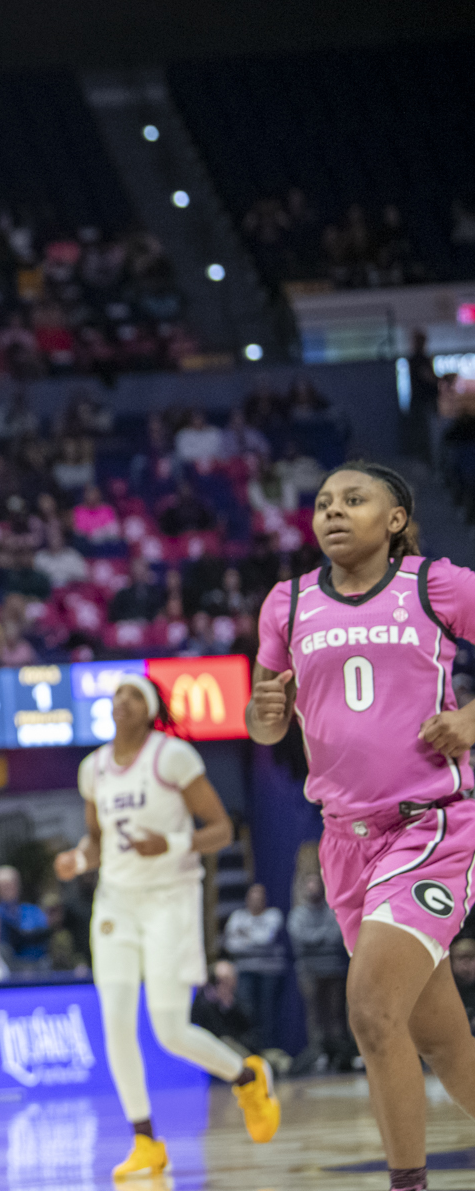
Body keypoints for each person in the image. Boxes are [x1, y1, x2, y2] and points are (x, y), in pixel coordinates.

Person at [250, 462, 475, 1191]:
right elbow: (264, 718)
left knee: (371, 1010)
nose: (333, 512)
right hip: (345, 841)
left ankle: (407, 1185)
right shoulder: (284, 604)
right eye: (322, 503)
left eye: (354, 499)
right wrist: (266, 717)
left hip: (431, 828)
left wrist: (471, 717)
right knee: (440, 1039)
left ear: (398, 518)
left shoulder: (436, 584)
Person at [56, 674, 279, 1180]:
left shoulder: (172, 757)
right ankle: (145, 1140)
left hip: (170, 901)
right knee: (114, 1024)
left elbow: (221, 830)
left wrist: (173, 844)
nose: (122, 701)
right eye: (116, 694)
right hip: (116, 902)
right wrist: (76, 858)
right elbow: (96, 839)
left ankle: (247, 1075)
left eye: (134, 694)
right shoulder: (93, 768)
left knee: (170, 1031)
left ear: (151, 707)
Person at [289, 872, 352, 1073]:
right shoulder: (298, 915)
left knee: (336, 1016)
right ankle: (320, 1057)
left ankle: (341, 1057)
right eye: (310, 884)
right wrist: (319, 938)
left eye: (317, 884)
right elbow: (299, 936)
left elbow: (336, 935)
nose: (313, 888)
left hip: (333, 970)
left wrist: (313, 940)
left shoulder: (332, 912)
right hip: (310, 972)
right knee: (316, 1018)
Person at [222, 883, 287, 1051]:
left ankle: (270, 1053)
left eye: (259, 897)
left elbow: (265, 939)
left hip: (269, 972)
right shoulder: (237, 916)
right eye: (253, 897)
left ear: (265, 899)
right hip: (244, 971)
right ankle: (251, 1051)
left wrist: (244, 934)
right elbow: (230, 945)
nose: (256, 900)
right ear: (247, 899)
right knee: (246, 1012)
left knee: (268, 1014)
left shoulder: (274, 915)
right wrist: (254, 936)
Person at [191, 960, 257, 1053]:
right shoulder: (201, 1006)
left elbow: (251, 1038)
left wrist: (228, 1006)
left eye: (230, 980)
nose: (226, 985)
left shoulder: (241, 1007)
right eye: (220, 981)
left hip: (239, 1054)